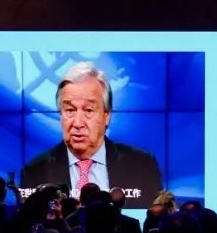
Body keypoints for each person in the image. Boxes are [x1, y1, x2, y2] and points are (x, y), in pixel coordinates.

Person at [20, 62, 162, 209]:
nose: (78, 123)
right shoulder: (34, 172)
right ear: (60, 115)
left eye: (88, 110)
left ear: (106, 116)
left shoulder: (142, 165)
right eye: (70, 110)